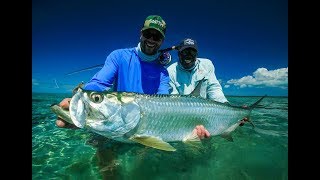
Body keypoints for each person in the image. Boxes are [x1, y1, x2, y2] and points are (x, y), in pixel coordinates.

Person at [167, 38, 247, 126]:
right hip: (182, 114)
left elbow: (213, 88)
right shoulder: (170, 71)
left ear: (196, 54)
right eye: (185, 52)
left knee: (207, 137)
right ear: (179, 54)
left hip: (205, 114)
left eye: (192, 52)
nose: (188, 55)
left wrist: (226, 106)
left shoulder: (207, 64)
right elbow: (174, 100)